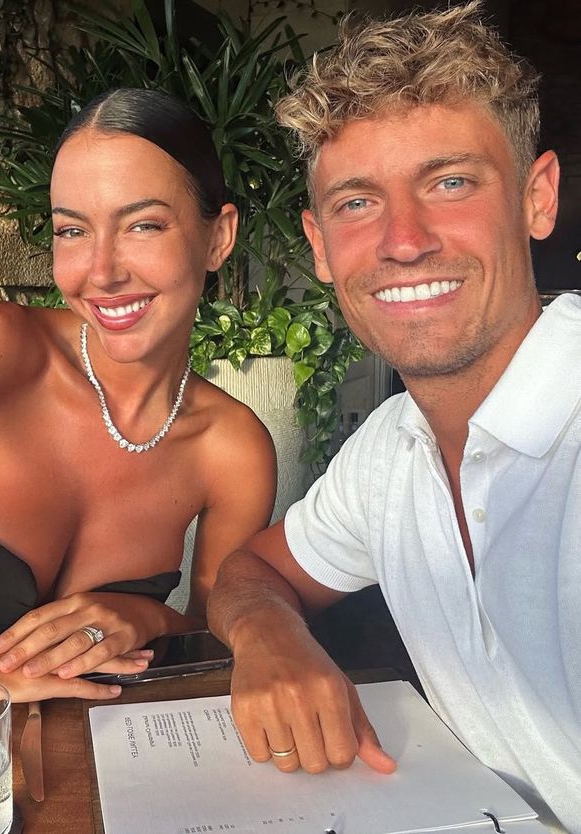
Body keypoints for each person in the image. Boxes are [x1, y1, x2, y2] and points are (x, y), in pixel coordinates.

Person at [206, 4, 579, 832]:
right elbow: (252, 571)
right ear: (318, 244)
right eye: (356, 203)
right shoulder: (393, 448)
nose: (403, 241)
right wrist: (269, 634)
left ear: (537, 197)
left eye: (450, 183)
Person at [0, 88, 276, 707]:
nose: (101, 272)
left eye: (143, 225)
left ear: (218, 237)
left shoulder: (232, 449)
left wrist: (149, 616)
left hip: (81, 751)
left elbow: (213, 644)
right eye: (73, 231)